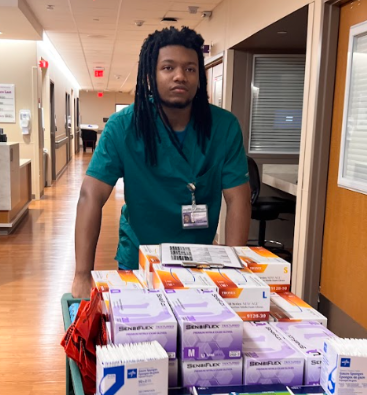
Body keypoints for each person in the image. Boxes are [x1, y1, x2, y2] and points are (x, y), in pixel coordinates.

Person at [72, 27, 251, 298]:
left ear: (199, 78)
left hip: (199, 259)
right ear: (150, 76)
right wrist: (82, 275)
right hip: (139, 260)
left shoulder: (224, 127)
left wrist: (234, 269)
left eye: (190, 69)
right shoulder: (124, 127)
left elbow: (239, 198)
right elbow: (90, 196)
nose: (180, 75)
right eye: (168, 67)